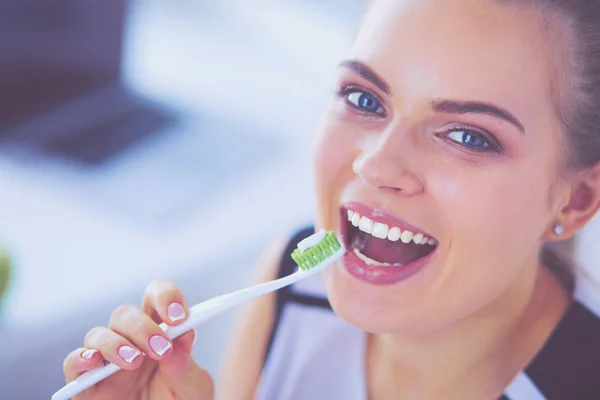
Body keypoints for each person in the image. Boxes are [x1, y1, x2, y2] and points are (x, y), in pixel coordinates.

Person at [62, 0, 600, 398]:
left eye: (467, 137)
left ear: (574, 200)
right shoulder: (292, 288)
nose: (375, 164)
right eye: (363, 98)